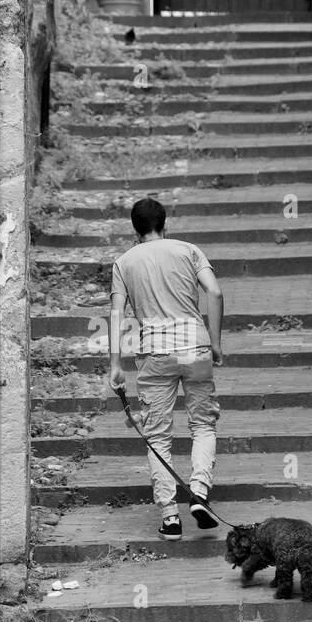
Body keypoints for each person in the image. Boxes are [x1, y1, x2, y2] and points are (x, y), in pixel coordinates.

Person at [108, 196, 223, 539]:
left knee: (158, 435)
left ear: (135, 228)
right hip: (194, 345)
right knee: (202, 424)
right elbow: (214, 293)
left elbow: (116, 314)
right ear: (164, 223)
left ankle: (170, 516)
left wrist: (115, 363)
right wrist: (215, 343)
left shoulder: (124, 262)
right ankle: (199, 493)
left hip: (154, 352)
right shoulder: (188, 250)